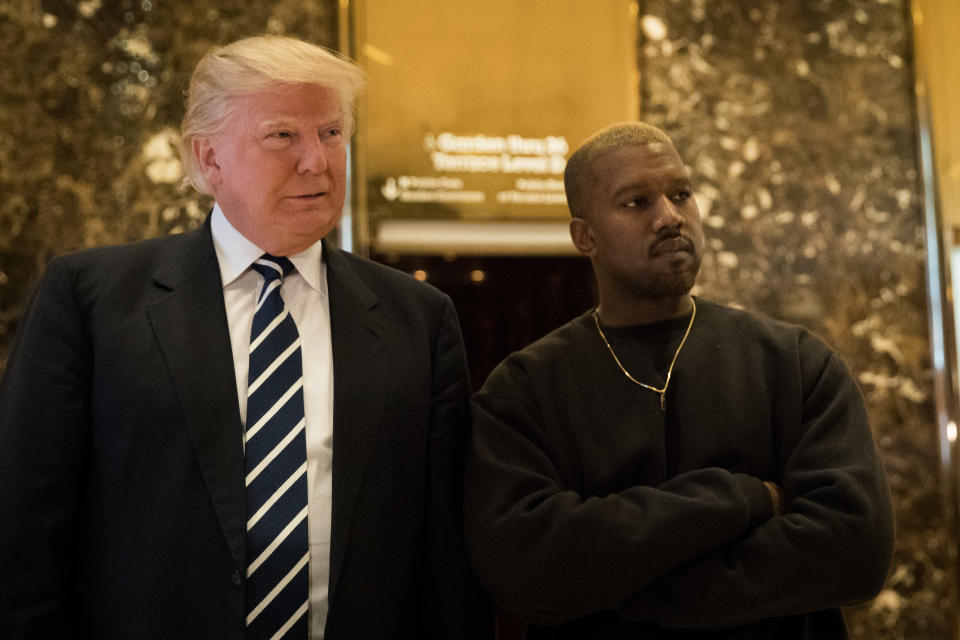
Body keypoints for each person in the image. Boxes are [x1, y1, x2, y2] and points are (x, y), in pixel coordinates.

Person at [0, 35, 491, 639]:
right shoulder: (92, 300)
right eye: (282, 135)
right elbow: (24, 530)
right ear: (209, 159)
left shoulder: (418, 317)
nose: (316, 160)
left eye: (332, 134)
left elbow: (447, 553)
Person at [464, 122, 894, 639]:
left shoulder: (794, 363)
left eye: (681, 194)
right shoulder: (526, 389)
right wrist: (742, 499)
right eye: (636, 202)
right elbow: (525, 568)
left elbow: (855, 549)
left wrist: (647, 593)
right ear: (585, 236)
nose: (669, 217)